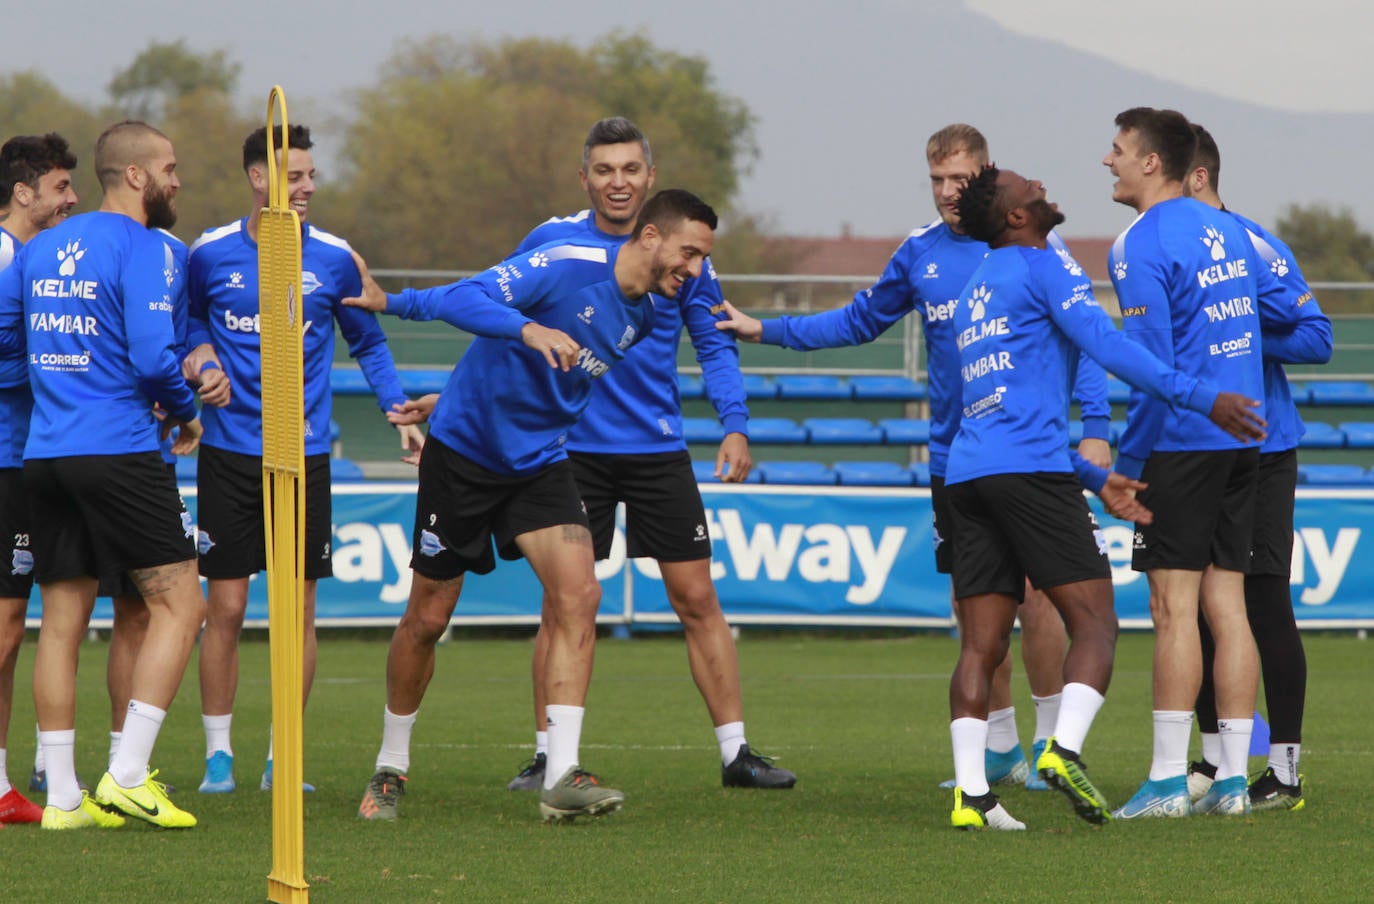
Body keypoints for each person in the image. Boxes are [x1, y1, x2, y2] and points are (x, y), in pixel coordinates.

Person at [714, 123, 1105, 788]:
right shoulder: (919, 254)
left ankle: (1049, 745)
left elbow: (1085, 335)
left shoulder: (1034, 245)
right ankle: (1001, 745)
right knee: (978, 607)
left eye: (960, 180)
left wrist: (1094, 423)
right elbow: (859, 320)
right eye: (937, 181)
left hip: (1026, 452)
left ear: (986, 176)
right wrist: (766, 330)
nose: (948, 193)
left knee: (1040, 601)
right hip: (954, 461)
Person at [348, 188, 718, 823]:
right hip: (462, 456)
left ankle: (563, 773)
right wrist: (521, 328)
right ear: (651, 236)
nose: (695, 270)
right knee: (428, 617)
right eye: (689, 253)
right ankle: (390, 767)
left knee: (580, 595)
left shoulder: (650, 318)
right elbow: (468, 296)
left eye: (704, 259)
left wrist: (468, 383)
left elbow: (559, 379)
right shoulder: (566, 260)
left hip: (540, 463)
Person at [942, 163, 1264, 830]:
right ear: (1014, 217)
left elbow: (1005, 413)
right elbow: (1112, 348)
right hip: (1030, 475)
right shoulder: (1042, 264)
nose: (1039, 183)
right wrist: (1204, 396)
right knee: (1095, 623)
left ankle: (971, 797)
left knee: (980, 646)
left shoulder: (976, 288)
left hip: (969, 474)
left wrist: (1095, 477)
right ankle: (1062, 750)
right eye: (1024, 184)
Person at [500, 117, 792, 793]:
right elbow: (507, 322)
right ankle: (548, 753)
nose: (618, 182)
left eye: (630, 169)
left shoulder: (687, 253)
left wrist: (735, 424)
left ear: (650, 177)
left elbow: (716, 340)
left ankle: (736, 754)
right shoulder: (552, 242)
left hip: (658, 449)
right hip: (570, 452)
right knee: (564, 605)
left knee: (697, 598)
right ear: (585, 178)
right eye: (604, 170)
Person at [185, 123, 422, 794]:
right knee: (224, 609)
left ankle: (280, 757)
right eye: (295, 176)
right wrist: (200, 360)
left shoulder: (337, 258)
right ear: (259, 179)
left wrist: (396, 409)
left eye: (312, 175)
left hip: (304, 456)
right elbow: (189, 323)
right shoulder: (209, 255)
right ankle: (219, 758)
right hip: (229, 452)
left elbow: (368, 342)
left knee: (298, 612)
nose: (309, 185)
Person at [0, 120, 206, 830]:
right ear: (138, 176)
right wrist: (184, 413)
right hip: (117, 448)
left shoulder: (39, 247)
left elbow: (6, 336)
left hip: (44, 455)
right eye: (171, 168)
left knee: (59, 621)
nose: (178, 180)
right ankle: (125, 773)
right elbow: (155, 358)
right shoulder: (147, 247)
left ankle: (61, 799)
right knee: (183, 605)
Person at [1101, 107, 1306, 819]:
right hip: (1248, 439)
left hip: (1184, 443)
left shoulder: (1136, 245)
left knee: (1172, 609)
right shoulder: (1231, 232)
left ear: (1151, 162)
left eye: (1119, 149)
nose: (1109, 161)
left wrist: (1127, 462)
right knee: (1229, 605)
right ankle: (1226, 783)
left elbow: (1153, 370)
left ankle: (1165, 782)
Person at [1181, 123, 1332, 811]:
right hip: (1196, 450)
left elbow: (1317, 336)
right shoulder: (1165, 245)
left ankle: (1287, 770)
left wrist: (1242, 330)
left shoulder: (1251, 243)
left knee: (1262, 602)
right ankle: (1217, 764)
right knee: (1201, 611)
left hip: (1262, 452)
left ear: (1197, 175)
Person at [0, 132, 79, 824]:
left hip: (24, 458)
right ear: (23, 192)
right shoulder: (3, 257)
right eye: (59, 187)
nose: (71, 199)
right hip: (2, 462)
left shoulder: (32, 259)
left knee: (11, 627)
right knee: (2, 627)